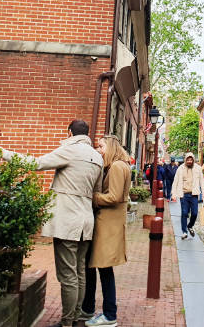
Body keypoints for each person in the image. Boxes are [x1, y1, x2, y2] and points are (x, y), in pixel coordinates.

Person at [0, 120, 103, 327]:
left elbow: (36, 163)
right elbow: (96, 190)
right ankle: (75, 318)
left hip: (67, 220)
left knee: (68, 275)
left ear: (70, 132)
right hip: (86, 221)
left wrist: (5, 153)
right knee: (80, 272)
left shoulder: (70, 150)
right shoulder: (97, 157)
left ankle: (66, 321)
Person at [80, 135, 131, 327]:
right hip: (107, 224)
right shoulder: (119, 165)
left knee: (104, 269)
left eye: (101, 146)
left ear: (110, 147)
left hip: (108, 225)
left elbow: (115, 196)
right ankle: (88, 307)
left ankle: (110, 315)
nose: (98, 150)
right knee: (93, 266)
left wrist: (93, 197)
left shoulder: (117, 166)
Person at [171, 152, 204, 240]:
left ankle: (190, 226)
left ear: (193, 160)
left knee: (194, 213)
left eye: (191, 160)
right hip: (184, 194)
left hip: (194, 194)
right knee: (184, 213)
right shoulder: (180, 168)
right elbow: (175, 181)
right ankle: (184, 232)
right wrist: (173, 194)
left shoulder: (198, 168)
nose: (189, 161)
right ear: (185, 160)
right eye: (188, 160)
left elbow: (202, 182)